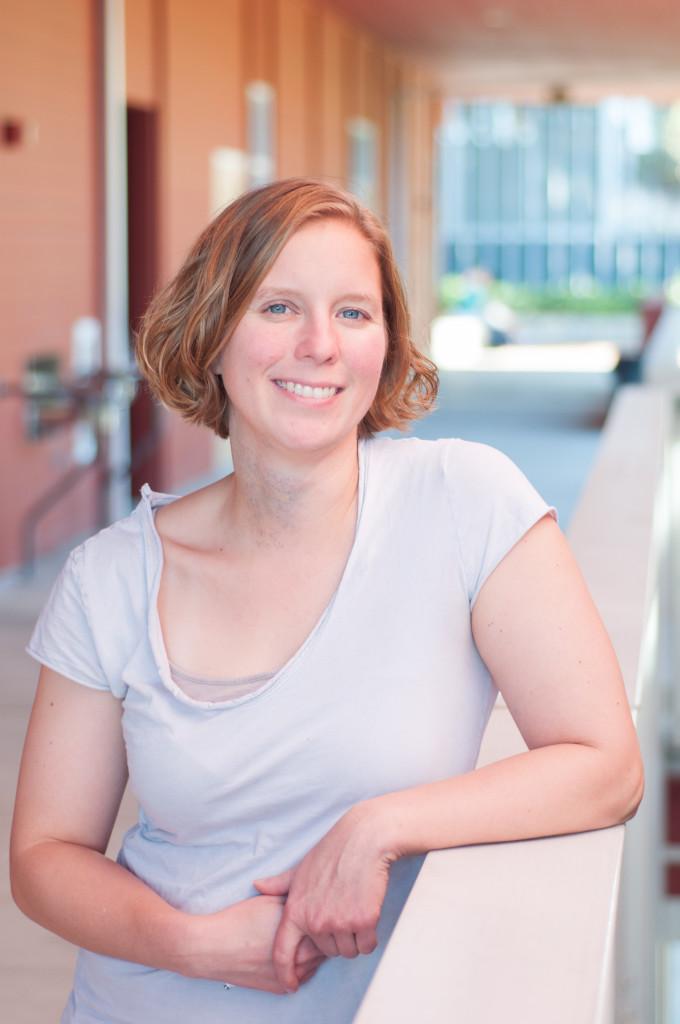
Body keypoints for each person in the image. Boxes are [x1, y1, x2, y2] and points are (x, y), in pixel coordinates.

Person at [11, 178, 643, 1024]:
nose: (320, 345)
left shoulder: (465, 501)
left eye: (354, 313)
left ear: (386, 340)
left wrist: (379, 827)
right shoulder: (111, 575)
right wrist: (198, 945)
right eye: (278, 308)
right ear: (212, 331)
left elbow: (606, 765)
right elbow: (44, 856)